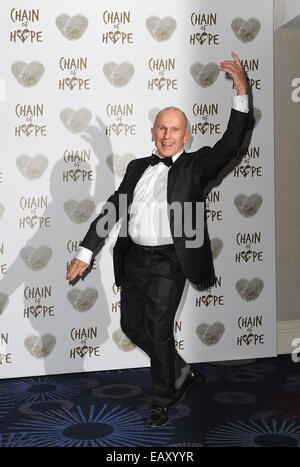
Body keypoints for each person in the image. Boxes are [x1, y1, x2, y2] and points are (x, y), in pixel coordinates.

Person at [66, 52, 249, 427]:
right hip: (134, 258)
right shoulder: (137, 167)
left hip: (171, 260)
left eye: (175, 129)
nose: (167, 135)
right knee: (134, 327)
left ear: (187, 135)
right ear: (153, 133)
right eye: (161, 128)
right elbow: (112, 210)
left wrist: (241, 90)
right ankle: (182, 373)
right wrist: (86, 252)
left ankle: (162, 397)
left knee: (159, 330)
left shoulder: (197, 166)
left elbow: (231, 144)